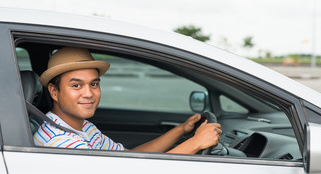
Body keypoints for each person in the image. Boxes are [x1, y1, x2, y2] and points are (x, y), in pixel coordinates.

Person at [33, 46, 222, 154]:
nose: (89, 93)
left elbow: (129, 158)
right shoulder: (61, 142)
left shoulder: (83, 128)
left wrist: (180, 130)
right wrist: (196, 143)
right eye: (76, 85)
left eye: (94, 84)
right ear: (54, 91)